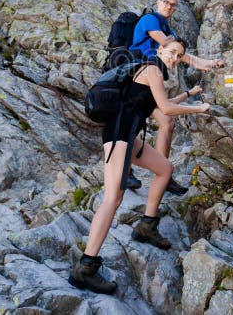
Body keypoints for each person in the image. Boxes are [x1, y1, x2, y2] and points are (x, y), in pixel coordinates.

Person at [69, 39, 210, 294]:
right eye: (172, 53)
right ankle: (85, 268)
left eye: (180, 56)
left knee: (165, 168)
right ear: (160, 51)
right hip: (120, 135)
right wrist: (199, 108)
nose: (175, 59)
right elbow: (166, 109)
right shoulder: (153, 70)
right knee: (113, 198)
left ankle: (146, 225)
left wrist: (189, 96)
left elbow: (158, 104)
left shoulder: (150, 72)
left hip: (128, 135)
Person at [128, 0, 225, 194]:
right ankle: (128, 171)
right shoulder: (149, 20)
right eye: (166, 3)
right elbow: (168, 46)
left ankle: (161, 173)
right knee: (139, 121)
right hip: (138, 77)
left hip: (148, 78)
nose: (169, 7)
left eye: (173, 5)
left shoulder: (166, 26)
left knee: (165, 122)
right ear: (158, 2)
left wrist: (208, 64)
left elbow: (179, 54)